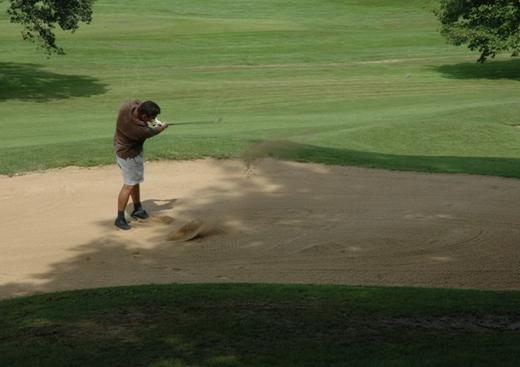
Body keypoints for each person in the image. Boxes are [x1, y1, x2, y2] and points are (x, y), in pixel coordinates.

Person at [113, 100, 168, 230]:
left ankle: (137, 208)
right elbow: (154, 131)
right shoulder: (138, 130)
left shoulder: (127, 107)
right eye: (151, 117)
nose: (153, 119)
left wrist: (155, 120)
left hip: (120, 147)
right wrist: (162, 126)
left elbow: (140, 102)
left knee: (134, 181)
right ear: (143, 117)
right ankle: (119, 218)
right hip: (129, 155)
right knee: (129, 185)